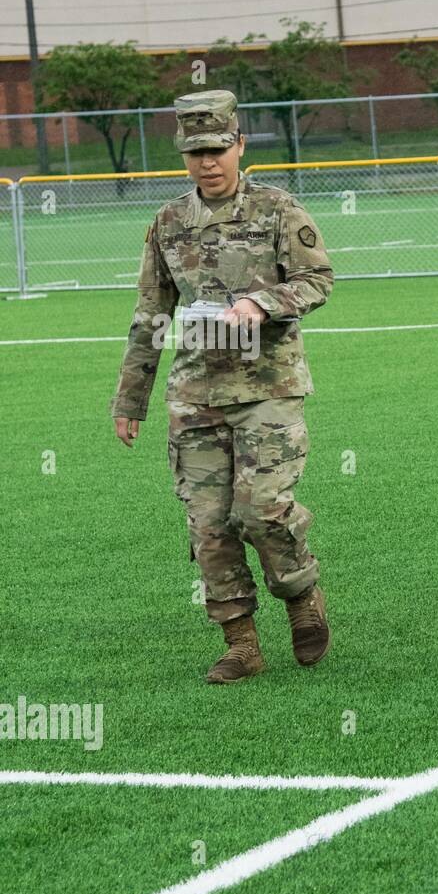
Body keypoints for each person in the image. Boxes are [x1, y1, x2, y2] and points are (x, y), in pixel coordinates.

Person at [110, 90, 333, 680]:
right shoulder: (167, 223)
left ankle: (301, 596)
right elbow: (150, 315)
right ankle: (239, 641)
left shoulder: (278, 209)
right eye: (194, 152)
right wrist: (131, 396)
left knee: (260, 509)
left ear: (239, 146)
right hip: (196, 394)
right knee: (208, 524)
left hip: (268, 387)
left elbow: (317, 279)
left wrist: (264, 302)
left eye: (216, 149)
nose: (207, 162)